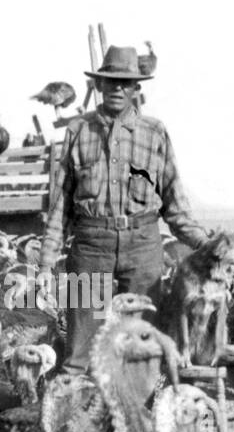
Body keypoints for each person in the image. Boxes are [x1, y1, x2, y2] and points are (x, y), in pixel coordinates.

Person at [37, 45, 210, 373]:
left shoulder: (154, 133)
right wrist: (45, 266)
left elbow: (176, 206)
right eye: (111, 82)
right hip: (90, 246)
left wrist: (210, 246)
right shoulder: (78, 132)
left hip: (143, 246)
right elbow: (59, 207)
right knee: (78, 355)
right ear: (98, 86)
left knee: (142, 353)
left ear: (136, 89)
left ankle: (137, 420)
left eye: (126, 83)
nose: (118, 89)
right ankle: (75, 418)